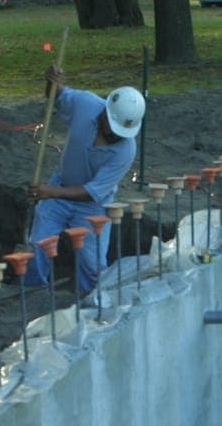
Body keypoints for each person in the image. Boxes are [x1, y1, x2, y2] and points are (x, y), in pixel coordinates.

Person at [25, 65, 145, 293]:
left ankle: (89, 304)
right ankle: (32, 295)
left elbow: (91, 192)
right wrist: (52, 81)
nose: (115, 136)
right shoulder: (86, 104)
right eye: (113, 129)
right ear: (106, 113)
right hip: (61, 187)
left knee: (93, 265)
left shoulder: (125, 151)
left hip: (94, 206)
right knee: (38, 246)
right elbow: (56, 96)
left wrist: (50, 192)